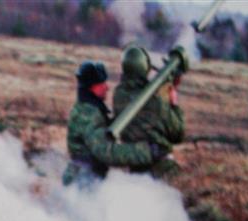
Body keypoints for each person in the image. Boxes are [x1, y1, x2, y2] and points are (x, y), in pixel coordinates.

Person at [62, 61, 157, 186]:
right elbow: (106, 152)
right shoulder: (89, 115)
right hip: (84, 182)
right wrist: (146, 152)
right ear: (92, 87)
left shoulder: (85, 108)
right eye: (102, 84)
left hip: (83, 177)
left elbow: (103, 132)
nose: (107, 87)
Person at [111, 44, 185, 178]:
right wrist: (174, 103)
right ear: (145, 67)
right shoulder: (156, 99)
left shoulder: (118, 94)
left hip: (135, 167)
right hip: (159, 166)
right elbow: (178, 134)